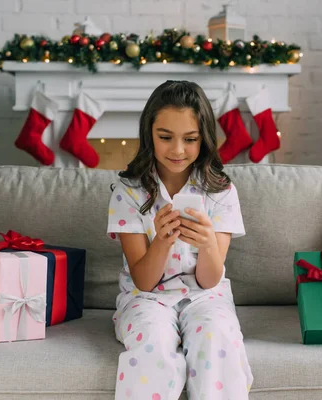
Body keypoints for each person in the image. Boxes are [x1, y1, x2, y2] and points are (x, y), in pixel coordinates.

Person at [107, 80, 253, 399]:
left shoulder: (221, 191)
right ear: (150, 135)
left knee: (217, 337)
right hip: (145, 298)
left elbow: (210, 280)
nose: (177, 150)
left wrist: (207, 244)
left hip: (205, 296)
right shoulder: (129, 192)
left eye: (190, 139)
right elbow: (143, 281)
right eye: (165, 137)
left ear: (204, 139)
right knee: (152, 342)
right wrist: (161, 241)